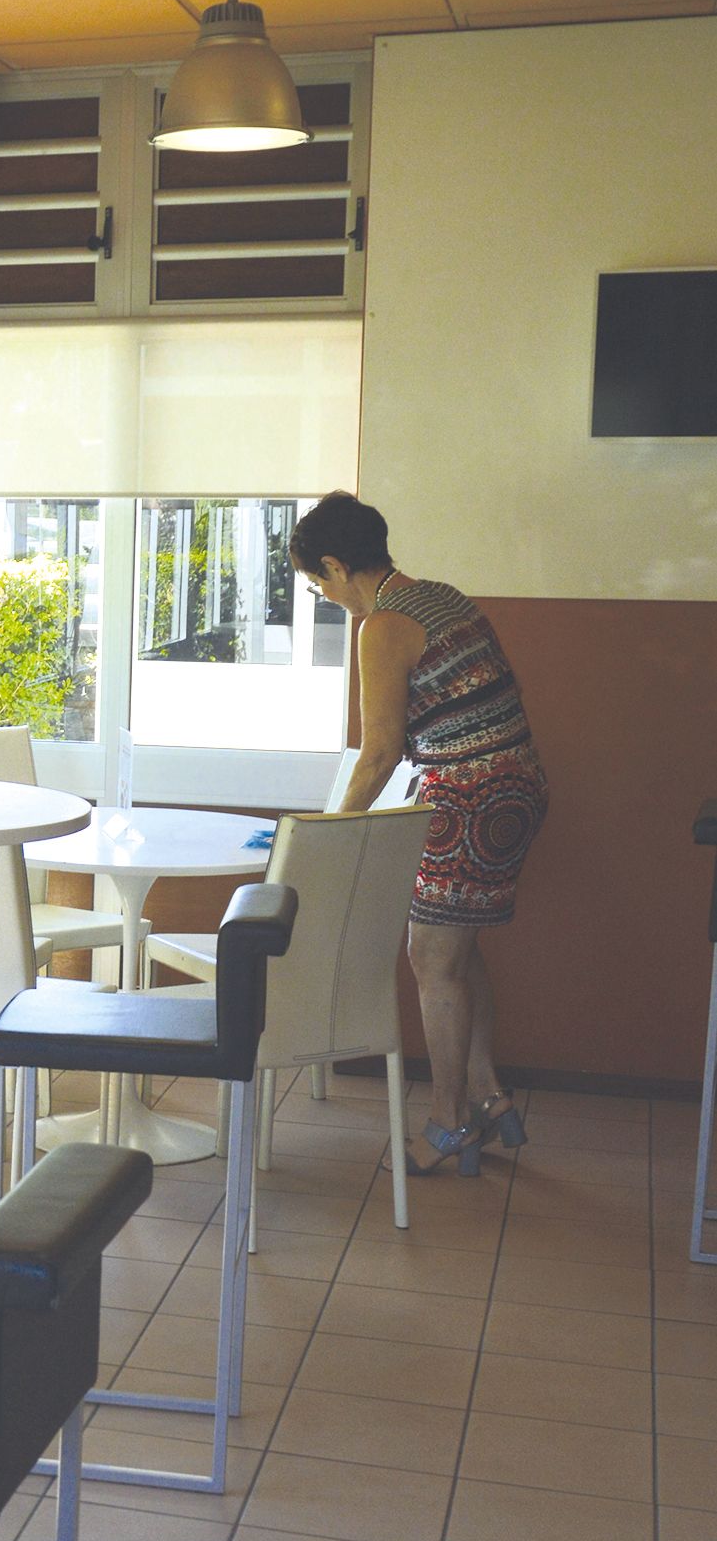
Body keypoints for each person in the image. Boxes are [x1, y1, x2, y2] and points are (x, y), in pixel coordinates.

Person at [289, 491, 547, 1177]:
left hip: (467, 800)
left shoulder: (383, 626)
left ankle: (448, 1120)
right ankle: (489, 1097)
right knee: (457, 951)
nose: (324, 595)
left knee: (432, 960)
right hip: (516, 788)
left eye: (317, 582)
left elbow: (378, 752)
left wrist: (332, 833)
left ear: (337, 565)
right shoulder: (441, 597)